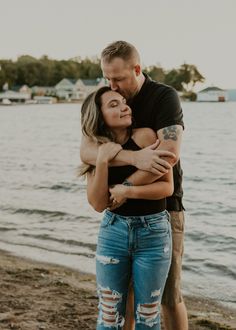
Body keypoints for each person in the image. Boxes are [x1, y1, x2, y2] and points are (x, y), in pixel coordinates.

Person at [80, 41, 188, 330]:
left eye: (117, 78)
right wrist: (134, 157)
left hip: (165, 209)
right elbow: (88, 152)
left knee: (167, 296)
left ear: (136, 69)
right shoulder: (105, 101)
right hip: (118, 221)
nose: (112, 86)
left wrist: (125, 188)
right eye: (107, 78)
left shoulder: (163, 97)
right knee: (120, 299)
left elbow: (167, 157)